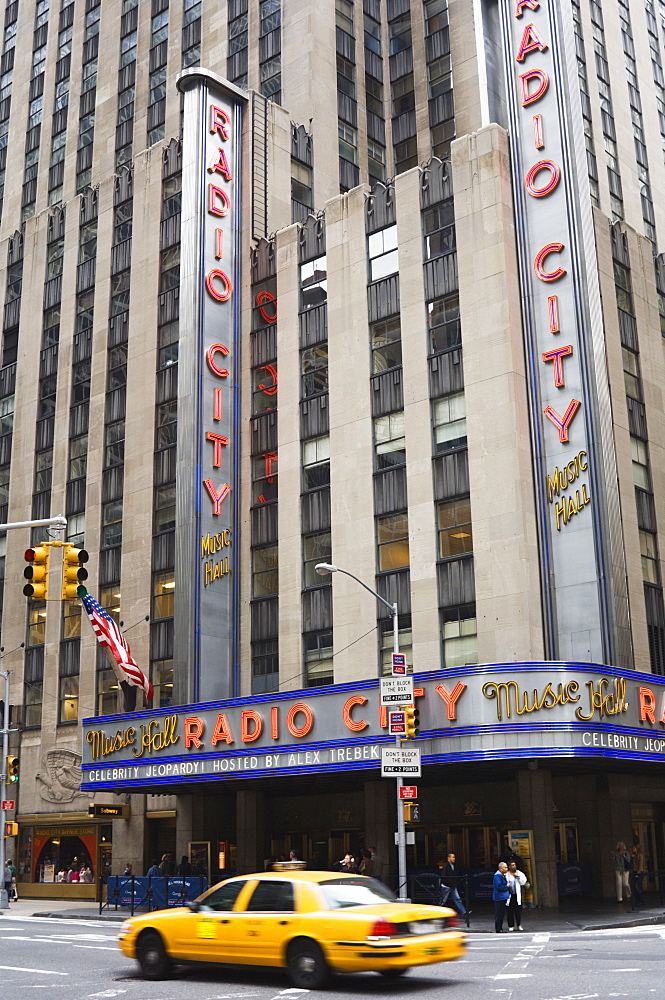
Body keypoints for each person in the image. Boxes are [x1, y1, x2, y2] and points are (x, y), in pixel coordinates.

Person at [439, 852, 467, 916]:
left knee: (457, 899)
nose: (454, 859)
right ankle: (438, 913)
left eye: (454, 857)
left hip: (452, 886)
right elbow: (443, 876)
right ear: (448, 858)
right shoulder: (446, 866)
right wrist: (448, 883)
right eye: (453, 857)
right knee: (443, 901)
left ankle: (464, 913)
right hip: (446, 886)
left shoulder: (453, 866)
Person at [506, 860, 528, 930]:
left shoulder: (519, 873)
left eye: (514, 865)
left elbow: (523, 882)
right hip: (509, 895)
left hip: (517, 895)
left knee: (518, 911)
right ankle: (511, 925)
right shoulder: (506, 874)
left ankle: (519, 925)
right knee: (510, 911)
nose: (514, 866)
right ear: (509, 867)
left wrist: (518, 877)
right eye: (512, 865)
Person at [492, 862, 511, 933]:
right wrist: (507, 886)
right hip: (499, 897)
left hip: (502, 897)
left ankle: (500, 928)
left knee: (501, 913)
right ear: (501, 868)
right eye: (505, 867)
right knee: (499, 913)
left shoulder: (502, 875)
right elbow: (498, 887)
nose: (507, 869)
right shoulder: (497, 876)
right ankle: (498, 928)